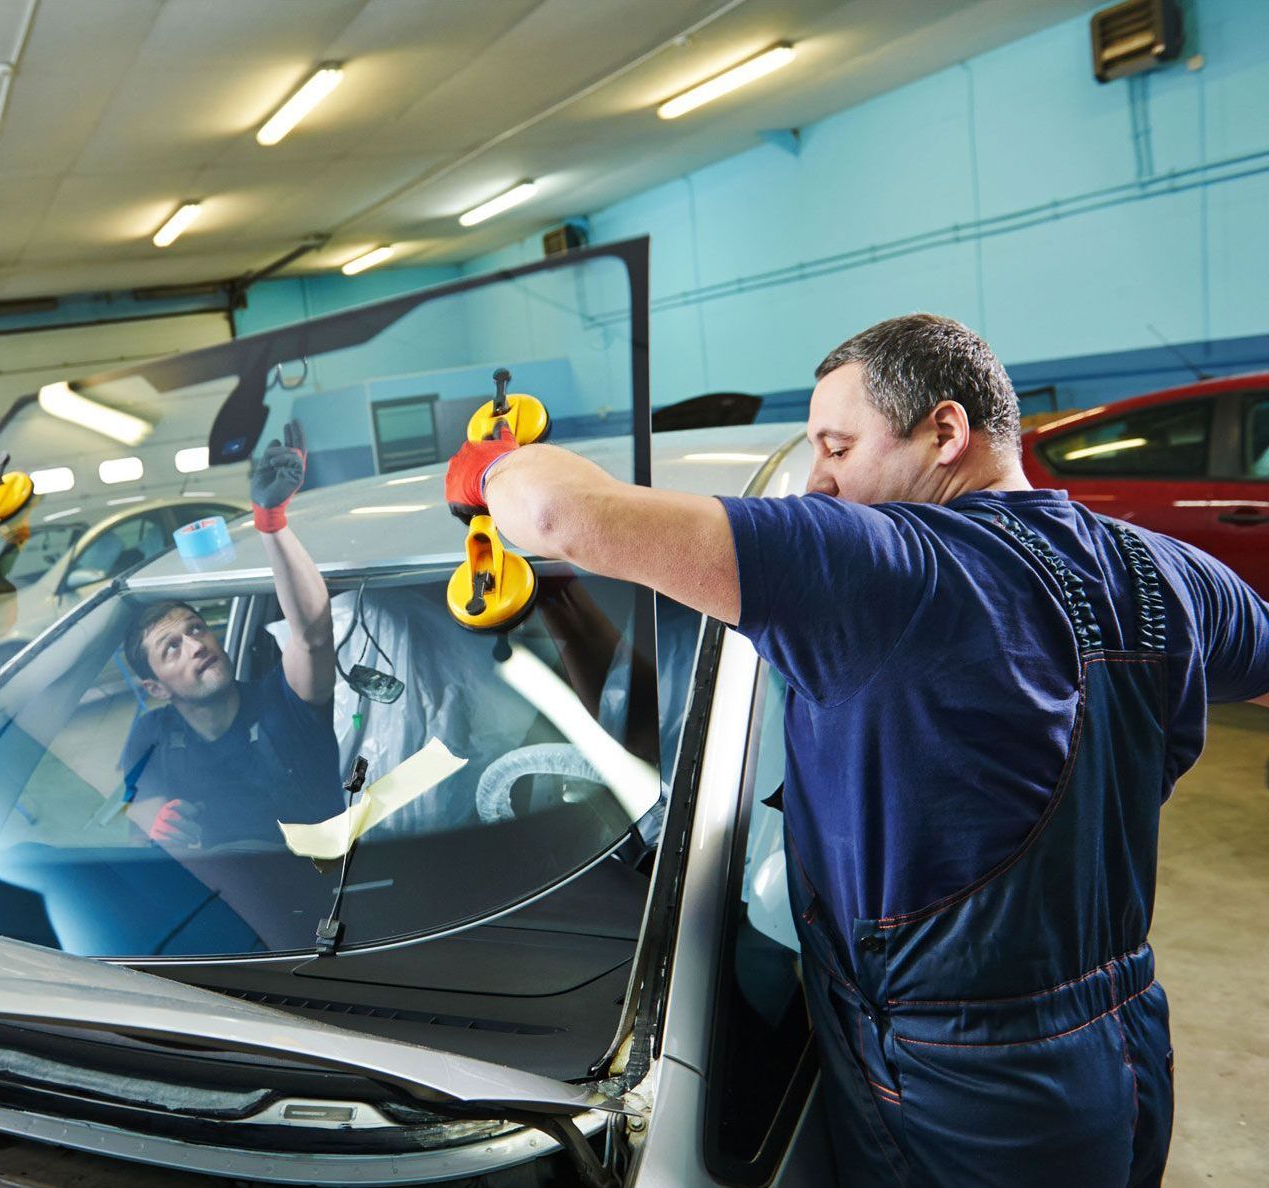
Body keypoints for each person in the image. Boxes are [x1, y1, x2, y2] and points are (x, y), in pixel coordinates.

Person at [445, 314, 1269, 1187]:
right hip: (1124, 1048)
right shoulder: (1164, 571)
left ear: (946, 432)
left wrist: (491, 463)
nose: (818, 481)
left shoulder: (879, 567)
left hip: (958, 1091)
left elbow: (553, 513)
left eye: (837, 446)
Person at [120, 425, 344, 850]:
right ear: (155, 687)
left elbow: (312, 634)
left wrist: (272, 523)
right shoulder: (152, 736)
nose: (196, 644)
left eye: (196, 628)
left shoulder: (283, 701)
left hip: (328, 889)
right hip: (226, 902)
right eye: (173, 648)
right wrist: (150, 817)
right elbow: (135, 808)